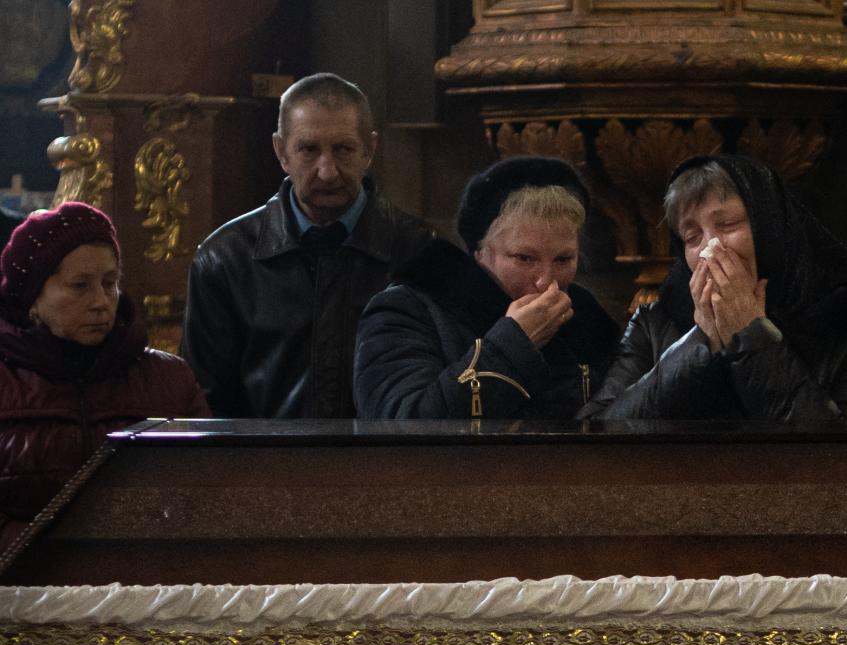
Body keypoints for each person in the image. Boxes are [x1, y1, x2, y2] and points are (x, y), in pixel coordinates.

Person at [180, 72, 435, 418]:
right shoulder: (224, 259)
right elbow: (202, 407)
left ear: (369, 150)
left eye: (343, 149)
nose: (327, 171)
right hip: (263, 468)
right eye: (309, 149)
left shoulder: (419, 251)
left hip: (385, 468)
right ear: (282, 152)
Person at [579, 154, 847, 421]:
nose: (709, 249)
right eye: (692, 237)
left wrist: (751, 334)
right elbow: (597, 434)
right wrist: (701, 344)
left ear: (770, 228)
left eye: (728, 224)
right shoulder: (655, 322)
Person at [0, 202, 208, 552]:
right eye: (79, 285)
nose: (101, 301)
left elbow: (206, 489)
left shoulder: (169, 379)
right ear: (32, 298)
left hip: (145, 586)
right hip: (23, 588)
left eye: (109, 283)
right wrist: (44, 557)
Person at [354, 156, 618, 419]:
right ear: (480, 253)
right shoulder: (407, 311)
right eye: (524, 258)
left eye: (563, 259)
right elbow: (401, 424)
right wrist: (514, 343)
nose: (547, 282)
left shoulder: (586, 317)